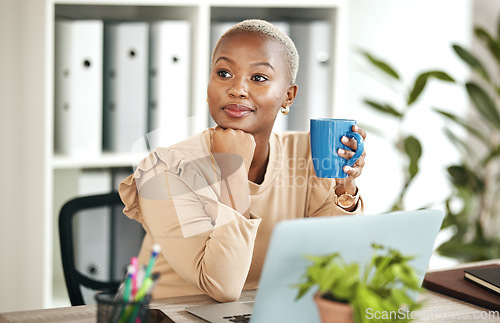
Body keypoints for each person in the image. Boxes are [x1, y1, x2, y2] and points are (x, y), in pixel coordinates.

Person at [119, 19, 367, 302]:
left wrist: (344, 187)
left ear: (288, 96)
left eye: (258, 78)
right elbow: (221, 286)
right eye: (223, 73)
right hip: (161, 315)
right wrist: (232, 169)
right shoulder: (165, 169)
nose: (237, 89)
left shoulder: (307, 152)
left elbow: (334, 264)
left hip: (262, 313)